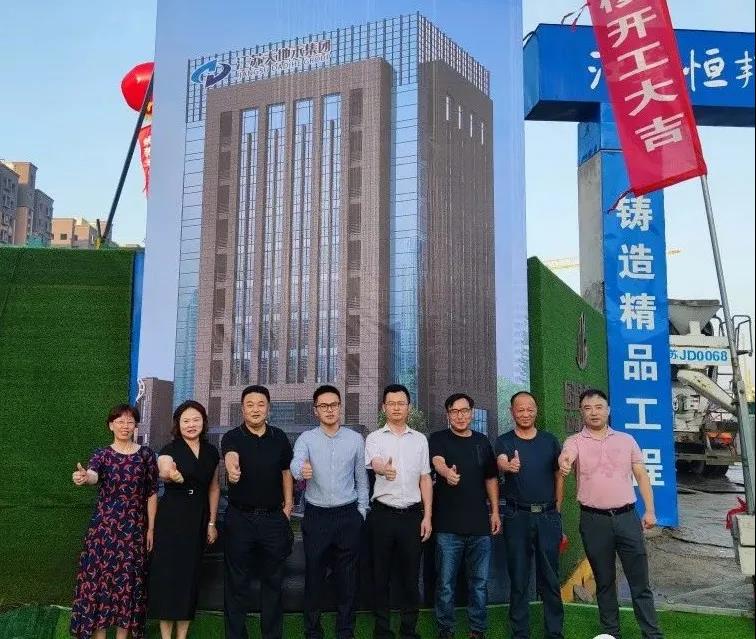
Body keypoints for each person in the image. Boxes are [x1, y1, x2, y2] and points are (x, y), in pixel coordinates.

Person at [559, 388, 663, 639]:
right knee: (604, 581)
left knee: (640, 582)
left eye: (598, 407)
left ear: (608, 410)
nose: (593, 412)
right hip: (593, 521)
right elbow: (567, 456)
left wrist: (649, 510)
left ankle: (652, 634)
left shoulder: (626, 440)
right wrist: (564, 462)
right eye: (587, 408)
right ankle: (611, 633)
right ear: (581, 412)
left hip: (628, 518)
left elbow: (641, 475)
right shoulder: (574, 441)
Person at [70, 404, 158, 639]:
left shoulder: (146, 455)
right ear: (111, 425)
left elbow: (151, 493)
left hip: (134, 530)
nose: (125, 426)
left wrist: (150, 528)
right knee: (99, 583)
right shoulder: (102, 454)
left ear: (135, 425)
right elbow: (93, 474)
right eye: (119, 421)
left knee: (128, 584)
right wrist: (84, 477)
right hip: (103, 531)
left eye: (130, 421)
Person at [291, 385, 370, 639]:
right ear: (315, 410)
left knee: (348, 579)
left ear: (340, 407)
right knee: (314, 577)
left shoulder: (355, 439)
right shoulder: (306, 439)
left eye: (333, 404)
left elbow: (361, 479)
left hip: (348, 516)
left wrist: (361, 511)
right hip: (317, 517)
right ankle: (313, 632)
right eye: (323, 406)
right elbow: (296, 462)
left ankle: (345, 631)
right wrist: (300, 471)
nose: (329, 410)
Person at [222, 385, 295, 639]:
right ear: (242, 409)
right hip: (239, 519)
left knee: (274, 583)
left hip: (274, 519)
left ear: (268, 408)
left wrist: (288, 506)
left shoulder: (279, 437)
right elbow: (231, 456)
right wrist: (232, 469)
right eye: (250, 405)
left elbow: (286, 472)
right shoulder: (232, 436)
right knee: (236, 584)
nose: (255, 409)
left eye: (261, 404)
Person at [429, 393, 501, 639]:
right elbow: (437, 461)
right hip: (448, 527)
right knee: (445, 585)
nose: (460, 416)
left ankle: (477, 631)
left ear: (471, 412)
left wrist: (495, 511)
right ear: (448, 414)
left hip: (480, 526)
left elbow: (490, 478)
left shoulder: (482, 441)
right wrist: (446, 472)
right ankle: (445, 631)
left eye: (464, 411)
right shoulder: (439, 438)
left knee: (479, 584)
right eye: (454, 411)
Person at [148, 400, 220, 639]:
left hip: (198, 517)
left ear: (203, 422)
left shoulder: (211, 452)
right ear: (178, 424)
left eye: (196, 420)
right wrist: (171, 474)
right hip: (171, 518)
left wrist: (211, 523)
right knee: (168, 576)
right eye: (186, 421)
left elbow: (213, 488)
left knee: (190, 577)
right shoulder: (170, 449)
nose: (191, 425)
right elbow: (163, 468)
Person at [365, 384, 433, 639]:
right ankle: (382, 631)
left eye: (401, 403)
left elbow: (425, 478)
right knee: (380, 576)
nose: (396, 408)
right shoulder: (374, 438)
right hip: (383, 515)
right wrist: (384, 469)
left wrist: (427, 516)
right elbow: (375, 463)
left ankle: (408, 631)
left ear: (409, 407)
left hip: (413, 516)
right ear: (384, 407)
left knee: (410, 576)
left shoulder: (420, 440)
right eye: (391, 403)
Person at [495, 391, 564, 639]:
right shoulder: (504, 441)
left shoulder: (549, 441)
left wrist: (557, 511)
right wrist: (508, 466)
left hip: (547, 516)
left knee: (550, 578)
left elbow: (558, 475)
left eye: (530, 409)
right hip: (517, 517)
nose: (525, 414)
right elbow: (501, 461)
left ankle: (554, 633)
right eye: (520, 410)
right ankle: (520, 633)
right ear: (512, 412)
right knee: (519, 578)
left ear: (536, 410)